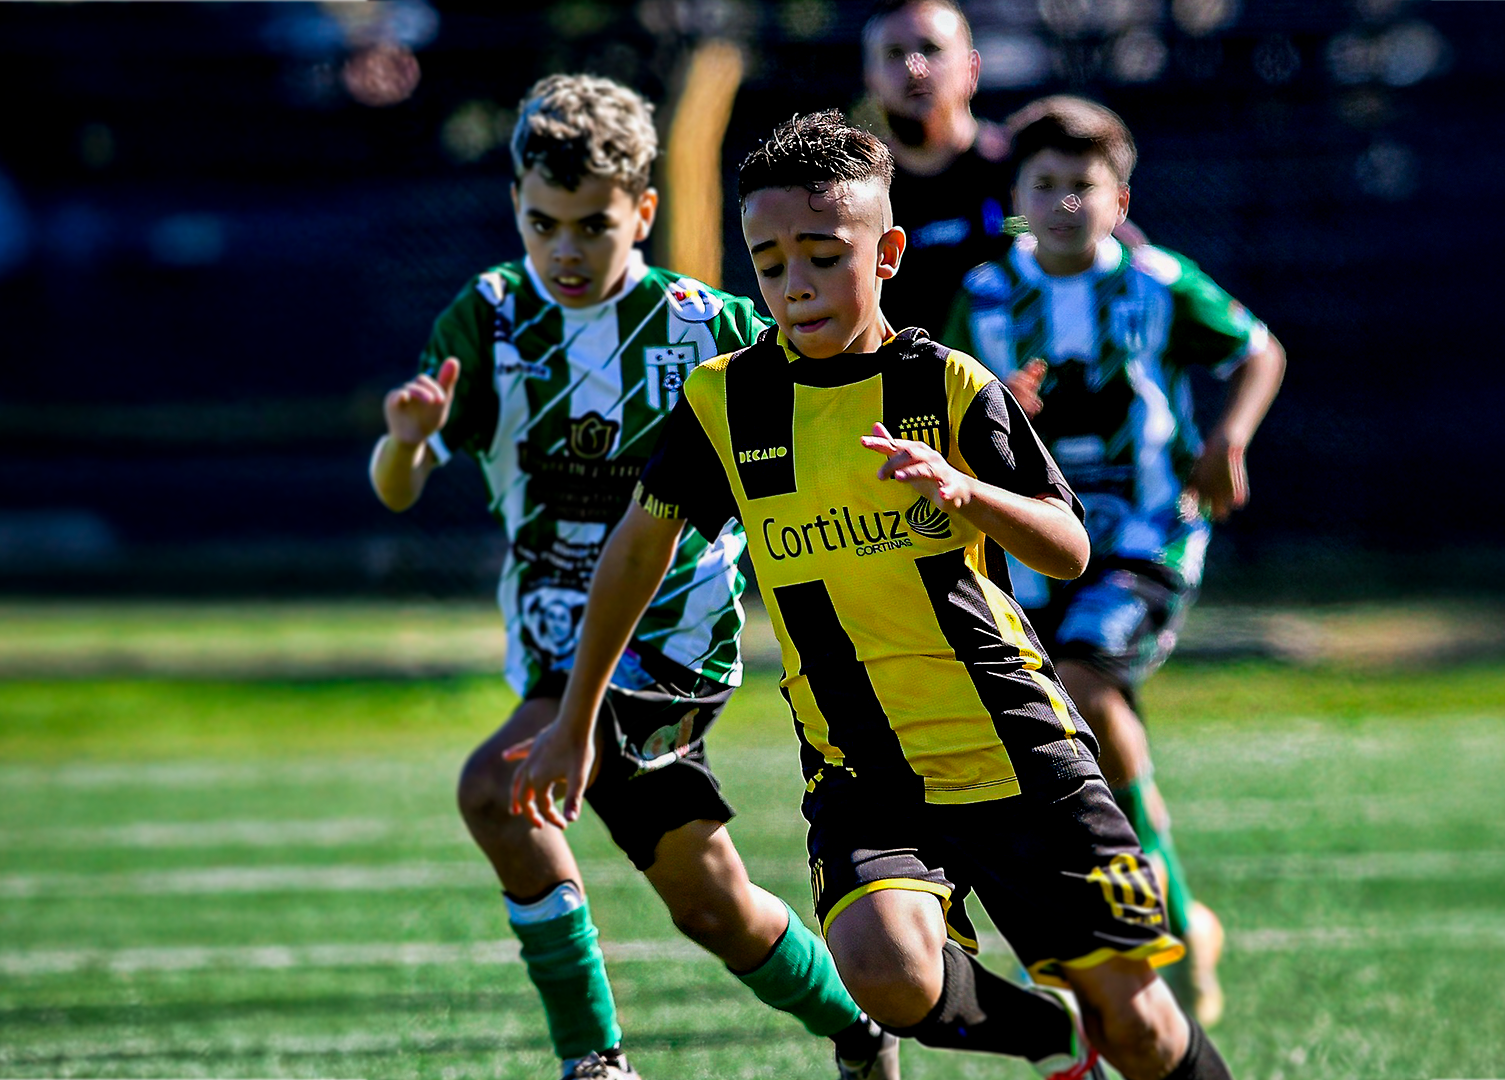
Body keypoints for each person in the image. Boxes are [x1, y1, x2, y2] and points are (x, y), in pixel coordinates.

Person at [510, 111, 1234, 1080]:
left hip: (1017, 747)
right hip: (863, 770)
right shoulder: (728, 402)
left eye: (823, 256)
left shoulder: (950, 386)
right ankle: (1051, 1039)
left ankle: (1102, 1029)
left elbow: (1068, 548)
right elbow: (636, 554)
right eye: (770, 264)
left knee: (1139, 1025)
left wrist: (967, 494)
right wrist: (575, 719)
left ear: (888, 253)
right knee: (884, 974)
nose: (795, 286)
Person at [369, 75, 896, 1080]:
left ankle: (594, 1062)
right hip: (553, 647)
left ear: (643, 212)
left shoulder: (708, 327)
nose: (565, 251)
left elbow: (829, 389)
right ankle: (860, 1032)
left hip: (673, 645)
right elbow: (396, 488)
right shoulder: (489, 321)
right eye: (542, 224)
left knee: (495, 787)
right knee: (713, 907)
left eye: (593, 227)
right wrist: (405, 443)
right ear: (516, 206)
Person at [940, 95, 1289, 1027]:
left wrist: (1229, 438)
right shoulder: (982, 297)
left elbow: (1259, 351)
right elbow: (945, 410)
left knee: (1087, 688)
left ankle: (1161, 921)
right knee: (1064, 724)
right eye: (1044, 184)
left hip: (1147, 532)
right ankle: (1164, 924)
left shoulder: (1161, 282)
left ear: (1119, 198)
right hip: (1034, 546)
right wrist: (993, 417)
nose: (1063, 203)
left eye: (1082, 186)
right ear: (1016, 199)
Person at [860, 0, 1013, 338]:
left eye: (931, 49)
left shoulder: (1025, 172)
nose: (915, 68)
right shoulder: (854, 194)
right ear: (871, 80)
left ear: (972, 69)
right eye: (894, 54)